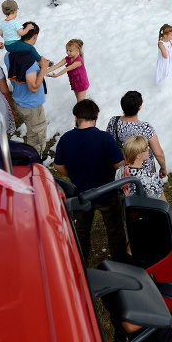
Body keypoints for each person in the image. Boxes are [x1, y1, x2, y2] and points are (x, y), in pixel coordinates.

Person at [55, 100, 127, 264]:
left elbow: (58, 165)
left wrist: (74, 175)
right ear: (96, 116)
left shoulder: (66, 139)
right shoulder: (105, 139)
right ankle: (120, 262)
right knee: (115, 229)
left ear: (76, 118)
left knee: (81, 230)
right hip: (107, 193)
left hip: (81, 195)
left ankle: (80, 263)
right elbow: (120, 165)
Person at [5, 23, 49, 154]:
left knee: (31, 131)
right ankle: (33, 163)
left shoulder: (9, 54)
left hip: (19, 100)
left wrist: (41, 70)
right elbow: (34, 87)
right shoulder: (29, 60)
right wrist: (44, 69)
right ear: (35, 36)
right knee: (36, 139)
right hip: (31, 105)